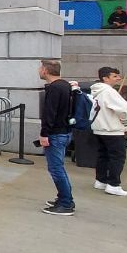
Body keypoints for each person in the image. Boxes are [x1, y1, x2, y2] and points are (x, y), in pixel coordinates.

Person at [39, 58, 78, 216]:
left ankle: (66, 203)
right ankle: (64, 197)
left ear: (46, 70)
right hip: (64, 131)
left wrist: (44, 134)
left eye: (40, 68)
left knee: (56, 169)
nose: (39, 70)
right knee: (58, 168)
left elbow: (50, 113)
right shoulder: (65, 85)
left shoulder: (55, 88)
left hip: (56, 134)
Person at [90, 67, 127, 196]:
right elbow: (123, 109)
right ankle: (113, 184)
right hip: (112, 130)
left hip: (99, 128)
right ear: (105, 78)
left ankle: (101, 180)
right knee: (117, 157)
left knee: (103, 155)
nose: (118, 78)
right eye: (114, 76)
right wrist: (126, 123)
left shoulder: (97, 91)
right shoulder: (109, 92)